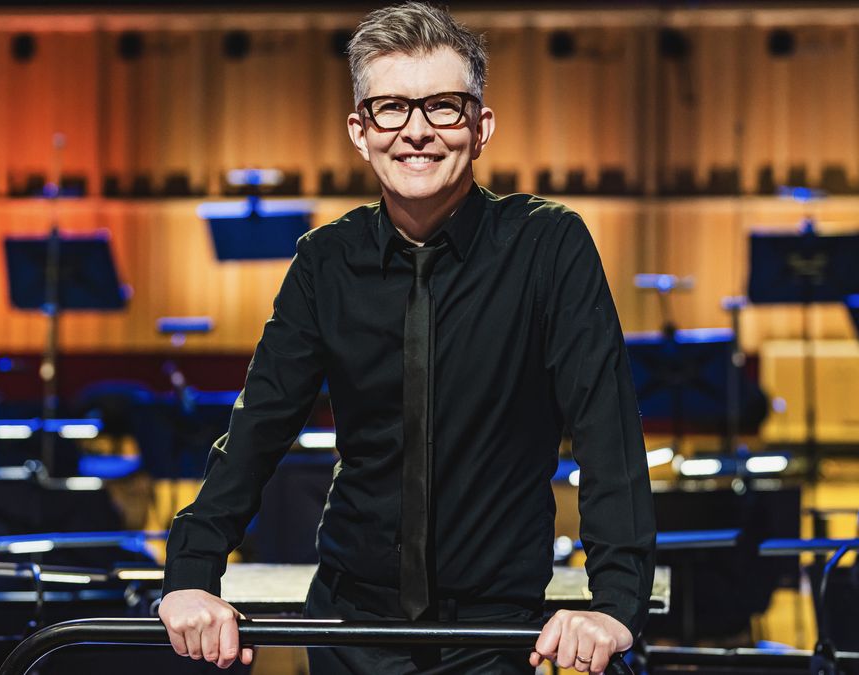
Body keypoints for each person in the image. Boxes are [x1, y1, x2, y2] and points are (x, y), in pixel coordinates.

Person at [158, 3, 655, 673]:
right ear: (360, 132)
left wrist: (615, 601)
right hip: (348, 624)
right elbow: (256, 431)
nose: (416, 131)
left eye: (443, 108)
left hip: (496, 633)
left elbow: (607, 429)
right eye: (390, 108)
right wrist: (191, 571)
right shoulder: (323, 262)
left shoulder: (549, 245)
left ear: (481, 128)